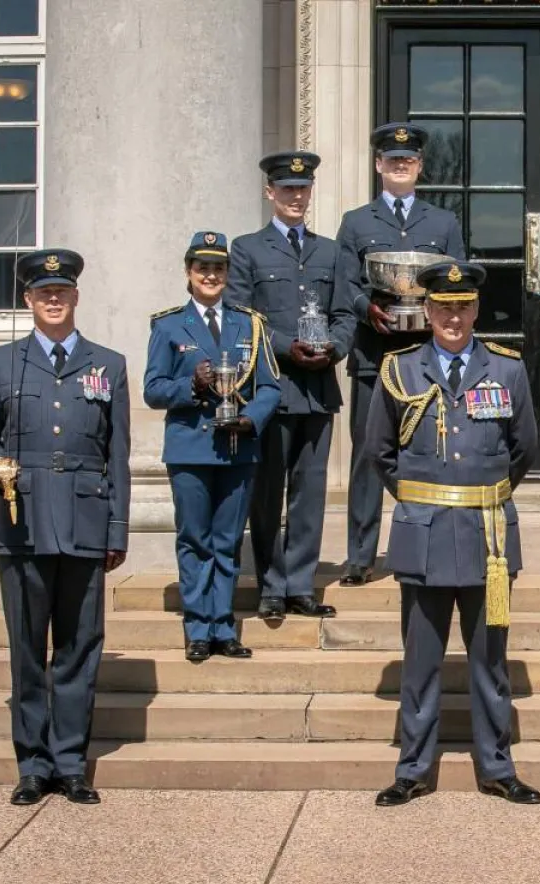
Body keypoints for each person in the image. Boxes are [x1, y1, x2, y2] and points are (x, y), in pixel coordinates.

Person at [364, 260, 540, 807]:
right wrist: (422, 501)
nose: (454, 317)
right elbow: (380, 452)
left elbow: (524, 448)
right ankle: (413, 769)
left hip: (488, 537)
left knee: (490, 663)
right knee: (420, 663)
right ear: (427, 310)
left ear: (477, 310)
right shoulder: (400, 370)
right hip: (424, 536)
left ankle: (497, 767)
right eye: (444, 307)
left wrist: (477, 493)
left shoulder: (507, 369)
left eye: (463, 307)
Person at [0, 249, 130, 806]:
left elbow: (117, 454)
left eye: (61, 291)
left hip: (85, 521)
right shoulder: (1, 363)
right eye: (43, 293)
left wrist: (117, 528)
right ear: (28, 299)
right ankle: (33, 765)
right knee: (28, 647)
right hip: (24, 521)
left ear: (76, 297)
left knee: (80, 647)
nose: (53, 299)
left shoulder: (107, 364)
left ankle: (71, 764)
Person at [226, 150, 354, 620]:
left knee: (310, 493)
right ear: (270, 192)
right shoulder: (247, 249)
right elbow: (240, 316)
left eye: (302, 188)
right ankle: (271, 585)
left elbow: (345, 314)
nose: (296, 196)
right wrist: (285, 347)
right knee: (267, 493)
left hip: (318, 391)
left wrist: (334, 347)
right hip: (272, 389)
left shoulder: (330, 252)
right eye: (287, 189)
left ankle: (301, 584)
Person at [337, 123, 466, 586]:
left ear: (420, 166)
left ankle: (433, 543)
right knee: (368, 454)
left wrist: (438, 315)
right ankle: (360, 556)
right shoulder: (356, 221)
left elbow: (457, 283)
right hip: (374, 354)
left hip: (427, 358)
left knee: (433, 449)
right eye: (392, 160)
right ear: (379, 165)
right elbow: (344, 285)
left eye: (408, 160)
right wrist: (365, 308)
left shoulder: (443, 223)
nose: (400, 166)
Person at [144, 232, 282, 662]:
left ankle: (224, 626)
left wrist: (251, 418)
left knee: (227, 540)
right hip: (190, 448)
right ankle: (198, 628)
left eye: (218, 268)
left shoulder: (250, 323)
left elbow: (270, 386)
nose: (210, 275)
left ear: (227, 274)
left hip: (237, 446)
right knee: (194, 539)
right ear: (188, 272)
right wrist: (191, 384)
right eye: (202, 268)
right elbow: (153, 389)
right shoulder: (168, 325)